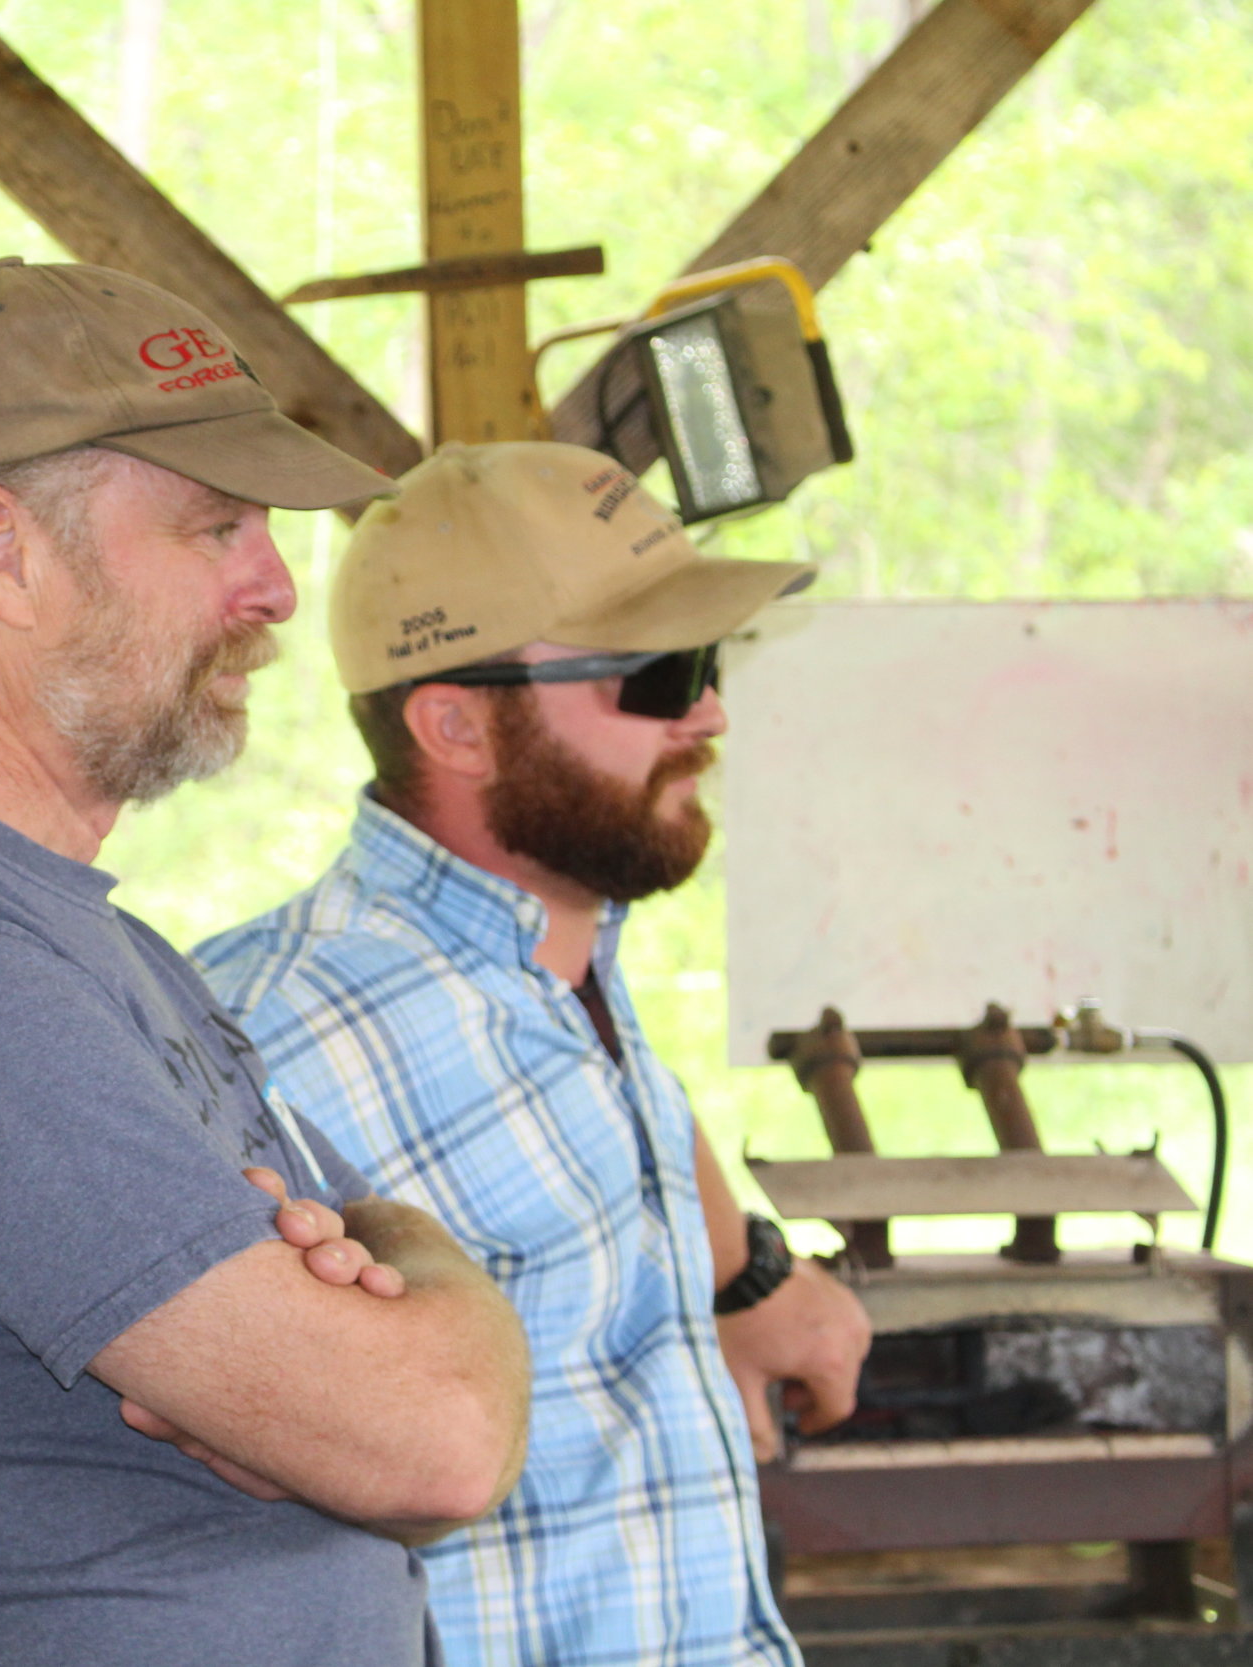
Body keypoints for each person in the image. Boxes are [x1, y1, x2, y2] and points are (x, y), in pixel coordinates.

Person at [0, 258, 531, 1667]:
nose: (275, 583)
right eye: (217, 526)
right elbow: (438, 1440)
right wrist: (414, 1297)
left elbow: (398, 1335)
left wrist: (401, 1268)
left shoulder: (70, 931)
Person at [195, 441, 876, 1667]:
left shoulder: (569, 963)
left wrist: (750, 1277)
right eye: (660, 675)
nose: (710, 710)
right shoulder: (273, 1042)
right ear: (456, 722)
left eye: (709, 663)